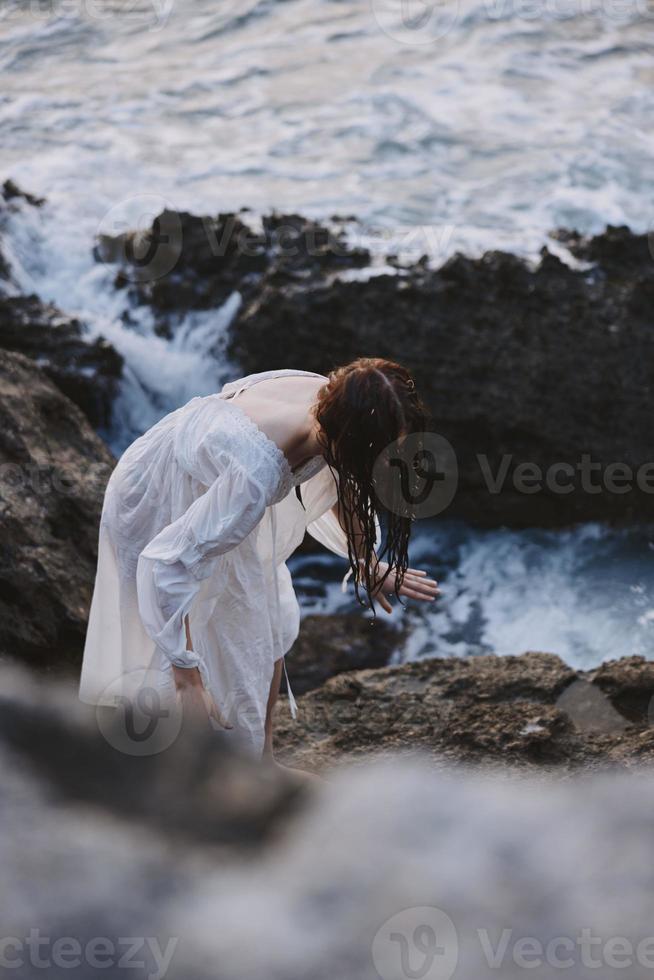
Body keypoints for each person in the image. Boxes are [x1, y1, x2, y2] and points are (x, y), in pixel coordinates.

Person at [79, 358, 439, 761]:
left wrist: (366, 562)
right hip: (156, 505)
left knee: (267, 616)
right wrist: (187, 680)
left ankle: (263, 759)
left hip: (215, 485)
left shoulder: (339, 404)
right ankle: (212, 771)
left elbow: (343, 478)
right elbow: (165, 565)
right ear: (348, 441)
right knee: (221, 646)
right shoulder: (257, 475)